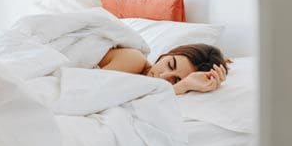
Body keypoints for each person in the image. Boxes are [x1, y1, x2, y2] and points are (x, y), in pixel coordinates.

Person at [98, 43, 229, 95]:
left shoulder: (141, 82)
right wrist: (179, 87)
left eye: (176, 80)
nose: (163, 76)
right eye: (170, 64)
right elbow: (91, 93)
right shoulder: (135, 60)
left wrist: (185, 85)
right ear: (168, 54)